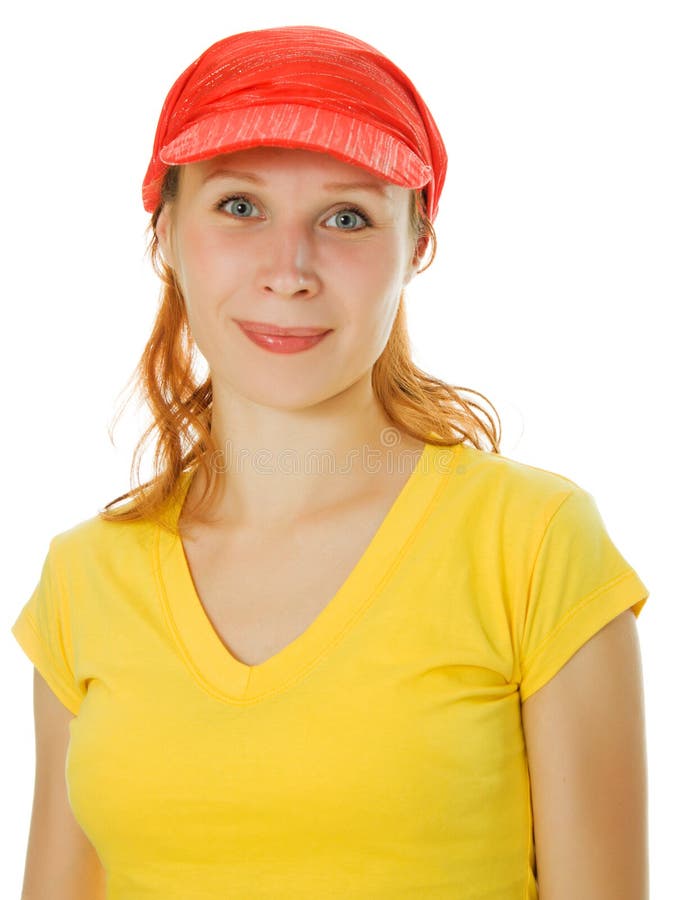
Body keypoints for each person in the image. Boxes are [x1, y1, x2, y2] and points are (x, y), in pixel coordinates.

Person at [11, 25, 650, 900]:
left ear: (415, 244)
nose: (290, 269)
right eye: (239, 206)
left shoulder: (530, 543)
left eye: (345, 217)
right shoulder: (85, 577)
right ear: (165, 234)